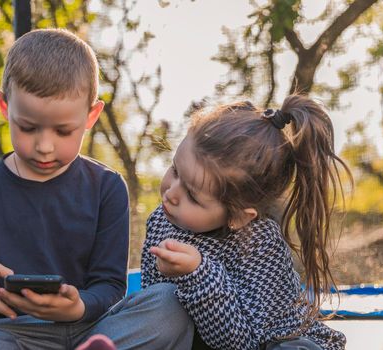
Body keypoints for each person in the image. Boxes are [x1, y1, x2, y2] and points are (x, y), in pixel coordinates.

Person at [0, 28, 192, 350]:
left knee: (169, 305)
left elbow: (110, 286)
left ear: (91, 116)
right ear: (4, 106)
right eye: (27, 127)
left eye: (63, 131)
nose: (44, 146)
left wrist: (78, 307)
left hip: (94, 332)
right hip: (14, 335)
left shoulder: (107, 187)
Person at [141, 96, 349, 350]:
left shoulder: (260, 244)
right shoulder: (161, 221)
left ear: (239, 216)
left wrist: (197, 273)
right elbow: (154, 307)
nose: (171, 193)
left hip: (269, 341)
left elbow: (240, 343)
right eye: (175, 170)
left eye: (193, 196)